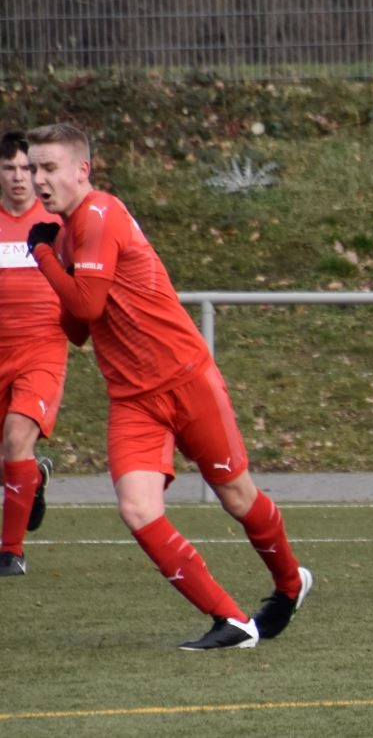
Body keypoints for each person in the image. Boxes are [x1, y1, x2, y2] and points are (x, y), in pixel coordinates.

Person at [25, 123, 310, 648]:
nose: (37, 179)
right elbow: (80, 329)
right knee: (137, 509)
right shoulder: (66, 234)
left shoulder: (100, 214)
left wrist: (41, 256)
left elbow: (84, 305)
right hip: (133, 397)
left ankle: (290, 586)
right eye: (31, 168)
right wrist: (52, 258)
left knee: (236, 496)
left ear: (81, 170)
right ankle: (231, 621)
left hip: (185, 378)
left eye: (48, 167)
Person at [0, 131, 63, 577]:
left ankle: (10, 552)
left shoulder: (58, 224)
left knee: (17, 436)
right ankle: (34, 479)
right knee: (9, 455)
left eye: (26, 168)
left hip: (42, 349)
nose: (19, 177)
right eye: (9, 169)